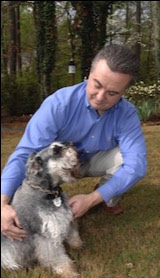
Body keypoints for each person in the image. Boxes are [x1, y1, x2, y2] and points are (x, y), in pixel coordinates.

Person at [1, 43, 147, 241]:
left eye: (113, 93)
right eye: (97, 84)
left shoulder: (127, 114)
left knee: (124, 159)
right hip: (57, 163)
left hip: (94, 160)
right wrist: (3, 202)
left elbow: (136, 166)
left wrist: (92, 199)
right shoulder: (58, 104)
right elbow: (26, 153)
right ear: (89, 73)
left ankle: (106, 197)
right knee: (27, 190)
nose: (101, 97)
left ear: (124, 91)